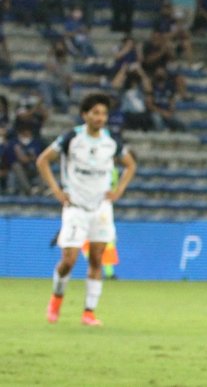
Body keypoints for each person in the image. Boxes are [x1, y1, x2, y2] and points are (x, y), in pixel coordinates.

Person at [36, 93, 136, 327]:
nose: (100, 117)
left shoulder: (111, 142)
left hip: (100, 208)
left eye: (103, 113)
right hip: (75, 208)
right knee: (68, 260)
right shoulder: (72, 138)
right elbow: (43, 160)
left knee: (97, 259)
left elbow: (130, 164)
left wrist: (119, 189)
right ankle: (56, 299)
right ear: (85, 115)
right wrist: (56, 190)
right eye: (95, 113)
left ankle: (89, 312)